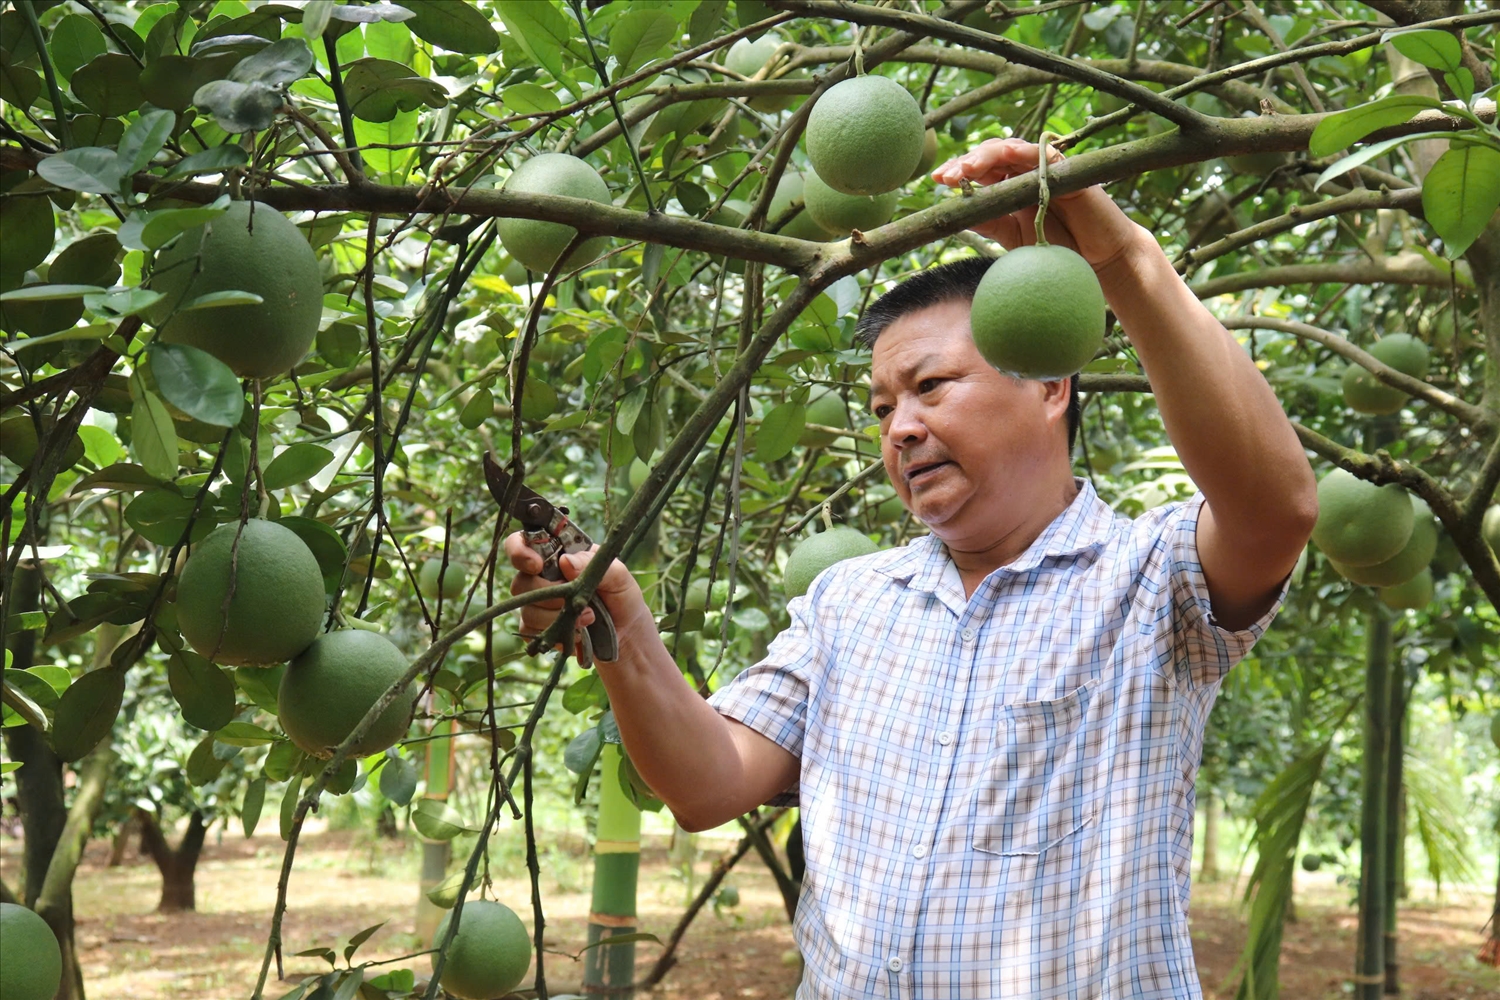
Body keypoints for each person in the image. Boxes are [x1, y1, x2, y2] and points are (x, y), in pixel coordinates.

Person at [505, 138, 1318, 999]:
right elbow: (710, 782)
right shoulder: (851, 599)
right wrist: (621, 627)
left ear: (1051, 386)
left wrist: (1119, 261)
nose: (900, 428)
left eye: (933, 387)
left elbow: (1277, 510)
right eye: (884, 407)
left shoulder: (1149, 580)